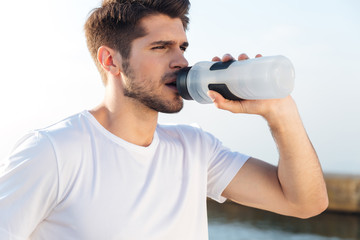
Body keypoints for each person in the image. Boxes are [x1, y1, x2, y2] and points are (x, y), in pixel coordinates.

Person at [0, 0, 328, 239]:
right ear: (111, 61)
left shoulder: (195, 148)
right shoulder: (52, 152)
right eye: (161, 47)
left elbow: (305, 203)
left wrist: (280, 112)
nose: (181, 61)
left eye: (182, 47)